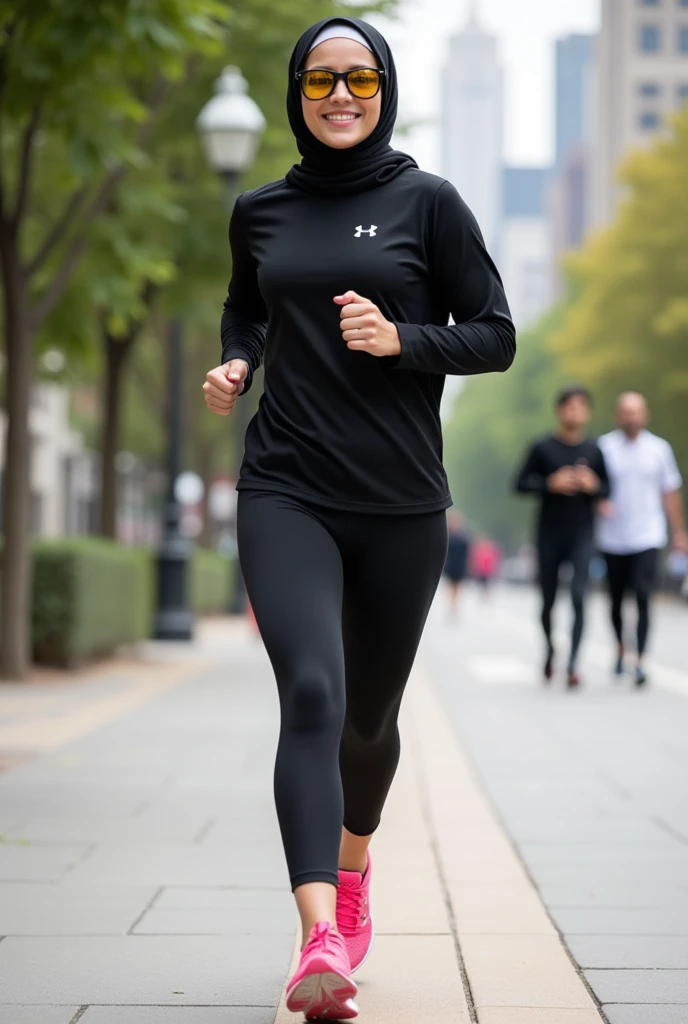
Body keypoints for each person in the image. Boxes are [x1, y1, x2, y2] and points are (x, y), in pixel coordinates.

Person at [202, 16, 515, 1019]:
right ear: (296, 92)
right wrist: (239, 361)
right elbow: (246, 305)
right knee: (310, 689)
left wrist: (402, 338)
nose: (341, 95)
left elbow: (495, 335)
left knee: (369, 723)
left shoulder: (429, 203)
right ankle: (317, 936)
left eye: (361, 78)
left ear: (383, 88)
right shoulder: (259, 209)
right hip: (286, 484)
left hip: (399, 500)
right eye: (322, 79)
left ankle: (354, 864)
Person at [514, 386, 609, 687]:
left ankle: (573, 663)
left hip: (583, 532)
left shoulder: (595, 450)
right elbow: (519, 484)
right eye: (569, 407)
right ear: (560, 411)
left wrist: (593, 485)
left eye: (581, 407)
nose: (575, 412)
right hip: (549, 533)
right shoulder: (542, 447)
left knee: (580, 595)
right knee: (548, 600)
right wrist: (549, 483)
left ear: (588, 413)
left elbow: (608, 489)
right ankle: (551, 649)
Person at [598, 392, 686, 687]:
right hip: (612, 536)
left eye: (636, 412)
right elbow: (594, 486)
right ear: (617, 415)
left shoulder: (659, 449)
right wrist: (599, 502)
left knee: (644, 596)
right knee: (615, 600)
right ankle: (622, 648)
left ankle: (641, 659)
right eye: (626, 411)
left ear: (645, 415)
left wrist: (679, 533)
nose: (631, 417)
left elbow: (670, 492)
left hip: (649, 534)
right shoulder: (604, 447)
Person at [443, 511, 471, 617]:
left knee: (458, 587)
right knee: (450, 587)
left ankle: (454, 605)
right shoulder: (447, 535)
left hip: (459, 565)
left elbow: (467, 554)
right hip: (450, 565)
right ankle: (452, 606)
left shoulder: (464, 537)